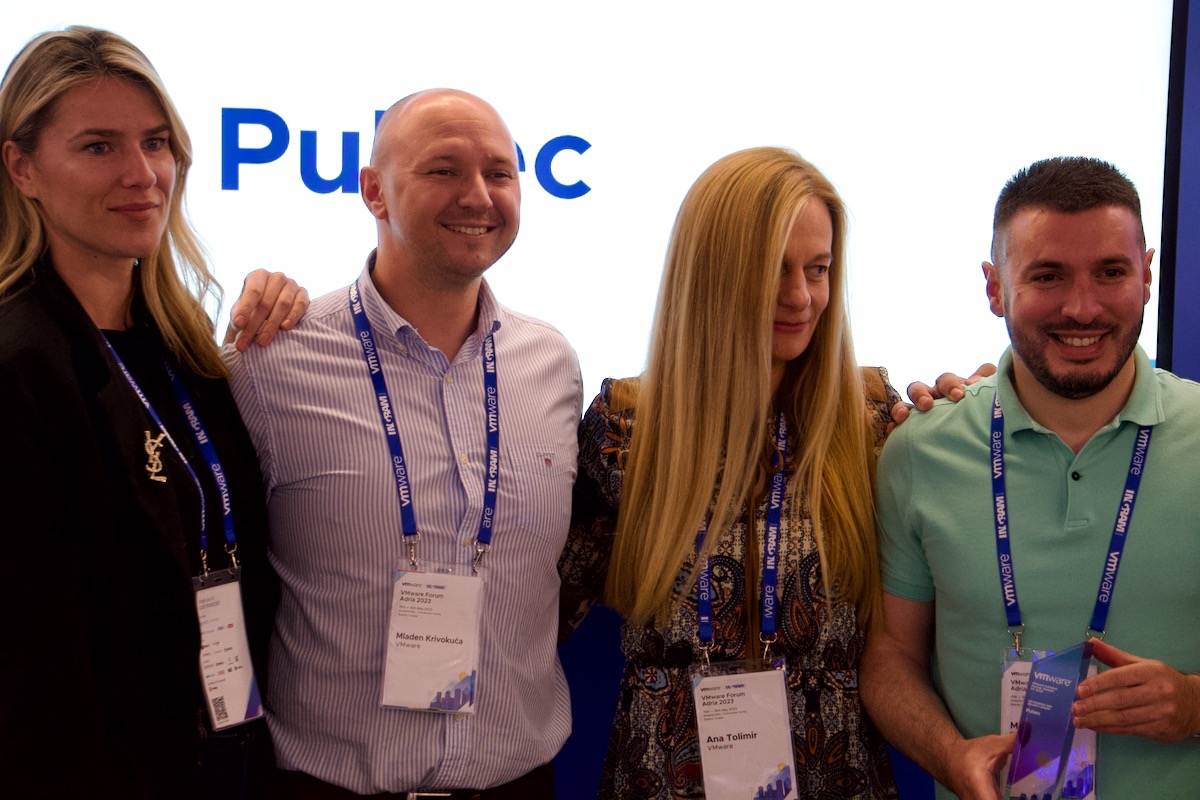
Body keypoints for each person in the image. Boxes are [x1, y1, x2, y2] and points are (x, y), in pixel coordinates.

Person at [225, 89, 581, 797]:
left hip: (517, 782)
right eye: (443, 170)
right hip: (328, 786)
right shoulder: (269, 363)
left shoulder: (553, 365)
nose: (477, 195)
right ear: (374, 191)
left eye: (500, 173)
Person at [0, 26, 307, 799]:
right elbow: (30, 658)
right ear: (22, 168)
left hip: (227, 749)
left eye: (156, 142)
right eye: (98, 146)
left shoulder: (182, 347)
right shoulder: (18, 362)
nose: (142, 174)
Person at [559, 147, 901, 799]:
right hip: (665, 777)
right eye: (772, 270)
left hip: (834, 774)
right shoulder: (626, 430)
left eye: (819, 269)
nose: (800, 297)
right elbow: (535, 612)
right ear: (709, 274)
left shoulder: (872, 424)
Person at [861, 156, 1200, 799]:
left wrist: (1191, 704)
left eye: (1111, 272)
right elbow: (890, 658)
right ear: (994, 288)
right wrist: (950, 757)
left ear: (1148, 275)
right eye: (1048, 275)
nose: (1082, 307)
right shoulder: (918, 451)